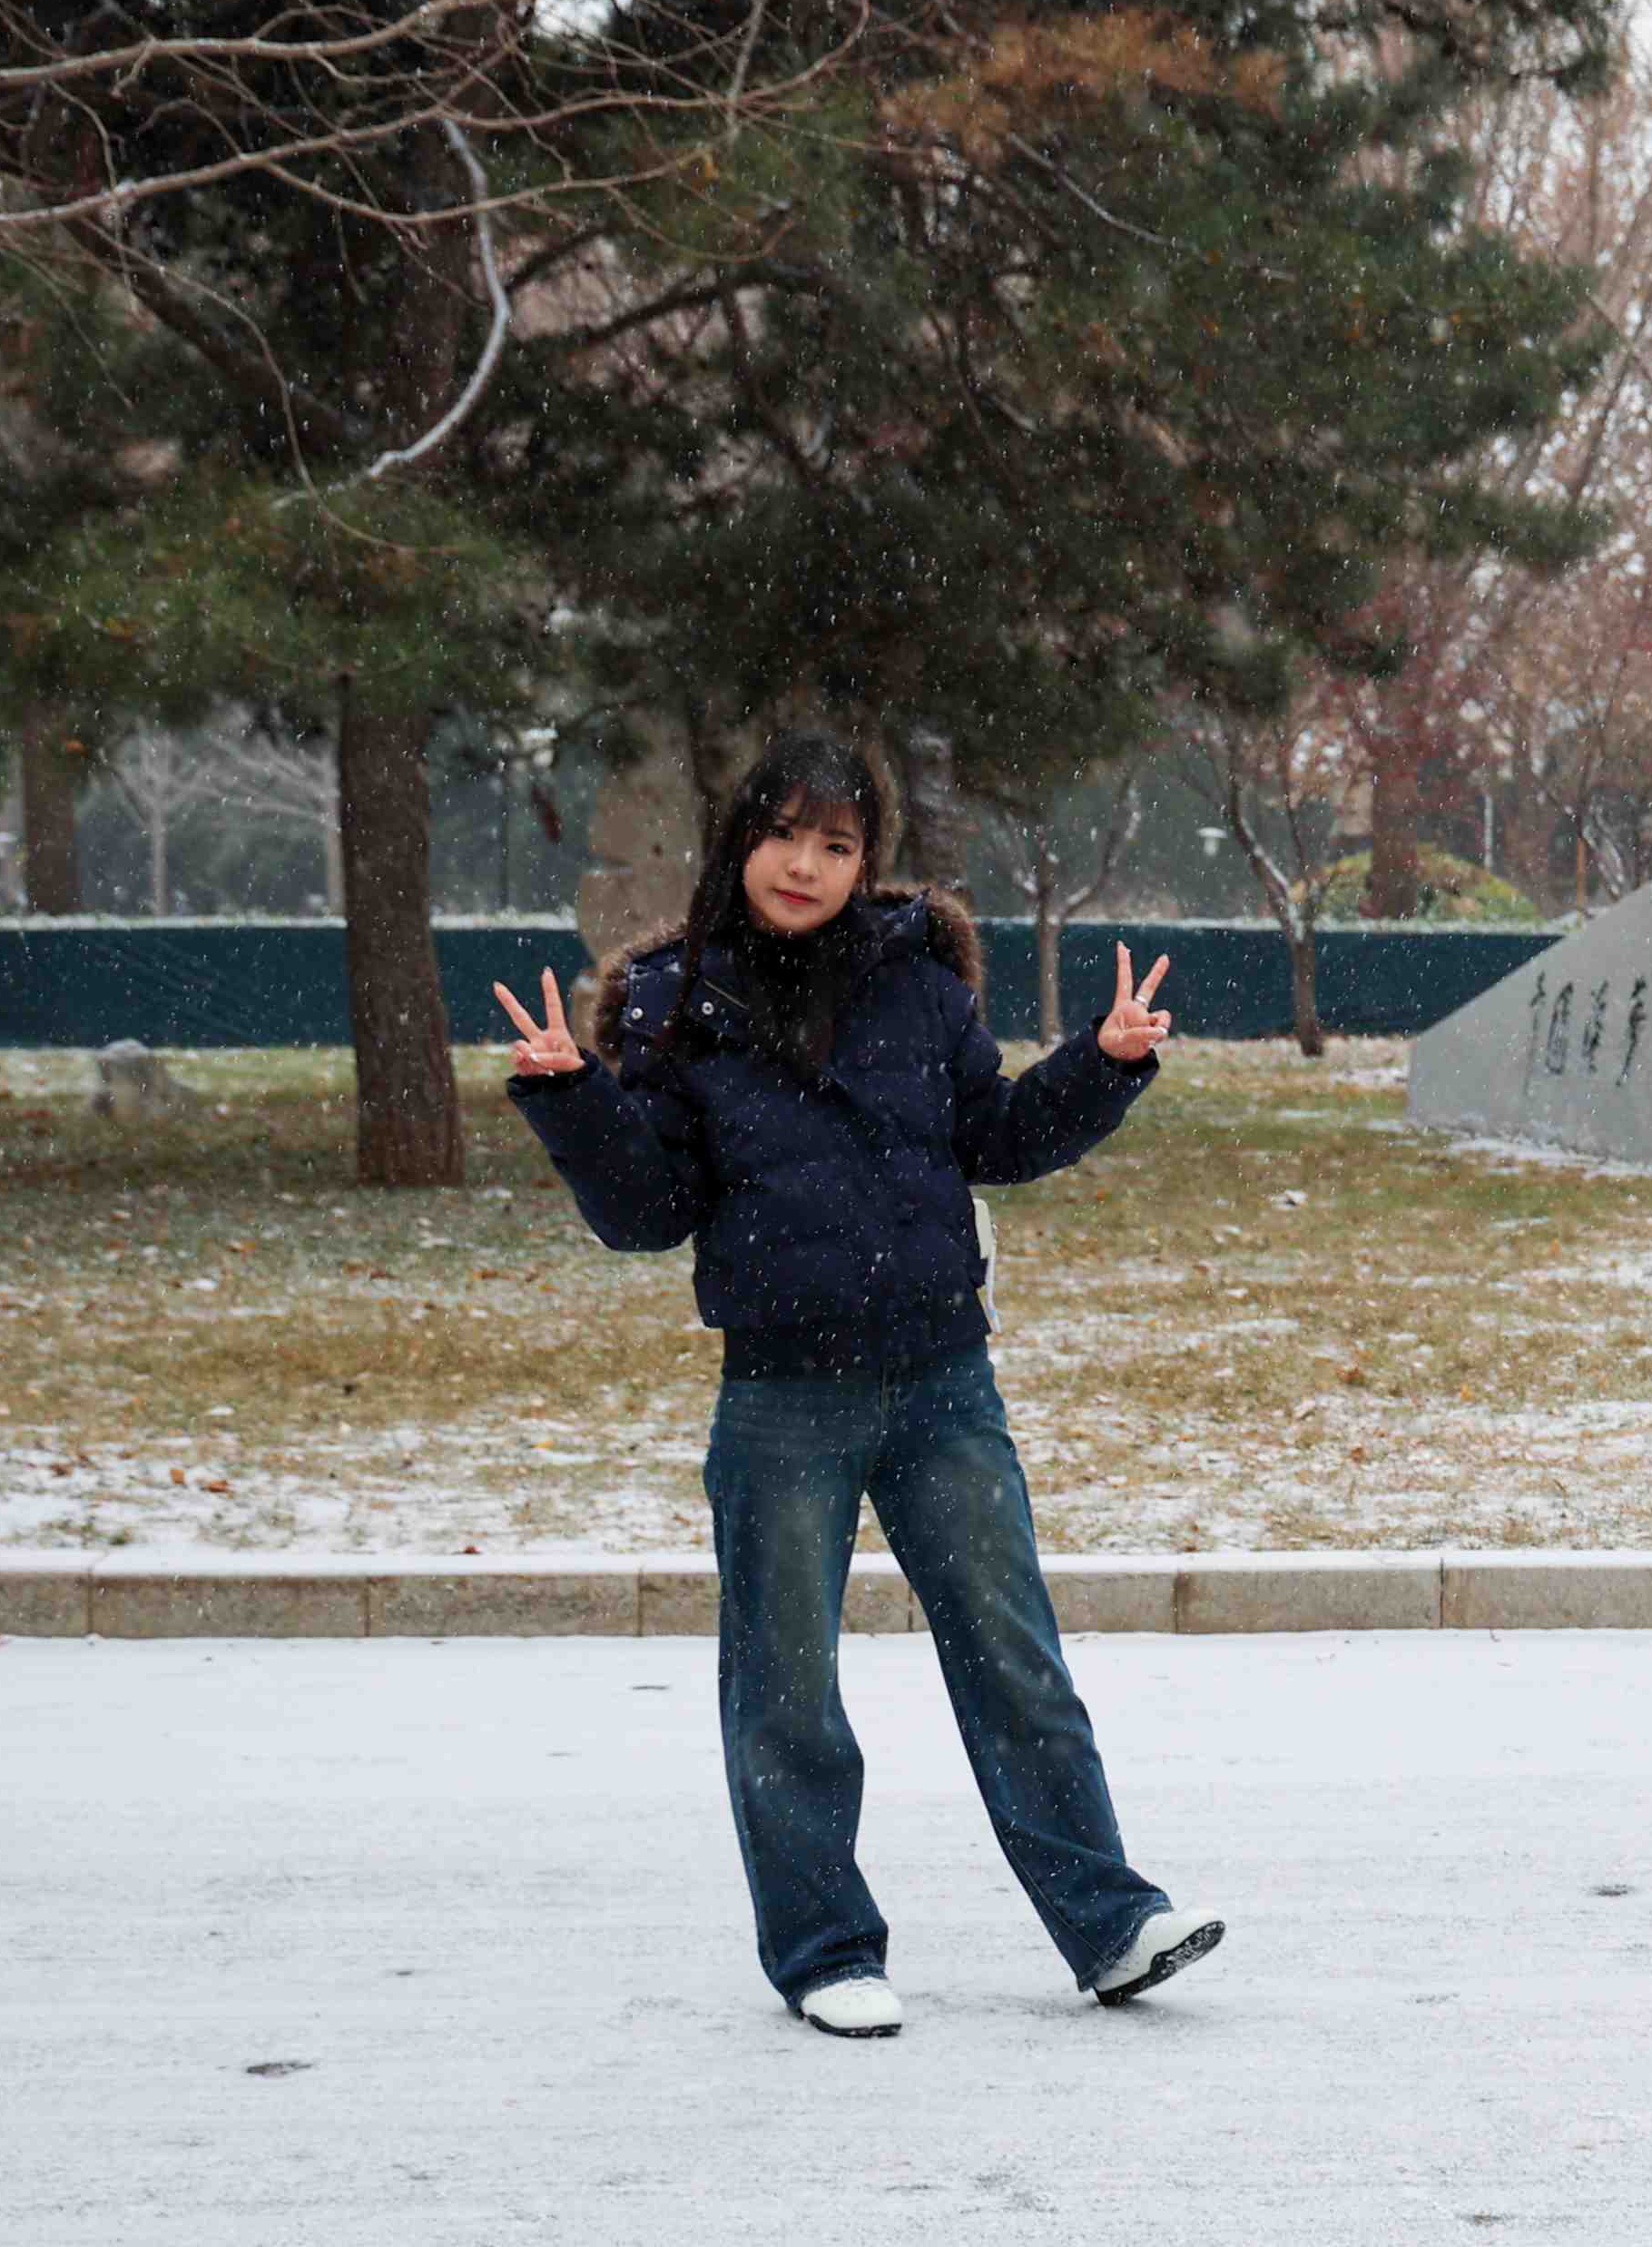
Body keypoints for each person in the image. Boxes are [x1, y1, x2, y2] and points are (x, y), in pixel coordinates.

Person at [492, 731, 1223, 2039]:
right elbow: (649, 1213)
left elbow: (996, 1137)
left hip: (944, 1381)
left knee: (1017, 1665)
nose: (806, 864)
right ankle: (825, 1951)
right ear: (741, 841)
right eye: (784, 835)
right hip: (784, 1398)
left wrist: (1103, 1063)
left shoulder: (916, 983)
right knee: (786, 1694)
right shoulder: (672, 1001)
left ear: (865, 860)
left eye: (836, 844)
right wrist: (575, 1101)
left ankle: (1112, 1925)